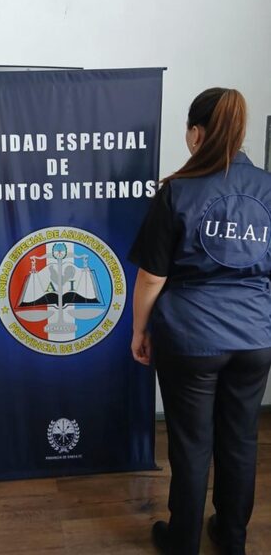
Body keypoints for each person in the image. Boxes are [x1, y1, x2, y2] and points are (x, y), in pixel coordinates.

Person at [129, 88, 271, 555]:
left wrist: (139, 330)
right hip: (255, 338)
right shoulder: (268, 188)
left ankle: (183, 542)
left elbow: (151, 277)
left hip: (191, 339)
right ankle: (231, 539)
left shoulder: (178, 190)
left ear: (196, 133)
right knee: (240, 440)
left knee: (192, 444)